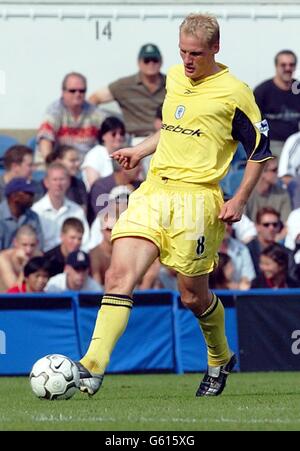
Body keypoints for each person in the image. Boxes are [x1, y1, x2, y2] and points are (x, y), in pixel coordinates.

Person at [75, 13, 272, 398]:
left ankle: (219, 358)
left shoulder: (235, 92)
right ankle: (92, 367)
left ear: (215, 48)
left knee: (192, 297)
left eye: (195, 53)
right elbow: (171, 128)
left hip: (198, 200)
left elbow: (259, 151)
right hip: (154, 190)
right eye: (182, 51)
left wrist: (240, 197)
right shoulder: (176, 77)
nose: (187, 60)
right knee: (119, 276)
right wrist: (141, 148)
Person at [89, 44, 166, 142]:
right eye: (146, 60)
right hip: (134, 140)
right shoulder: (124, 85)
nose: (151, 64)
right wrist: (104, 126)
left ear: (161, 62)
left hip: (164, 138)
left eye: (155, 60)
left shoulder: (172, 83)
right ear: (139, 63)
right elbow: (94, 98)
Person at [35, 72, 105, 168]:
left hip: (86, 167)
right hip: (58, 165)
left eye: (82, 91)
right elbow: (45, 139)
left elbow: (110, 133)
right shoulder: (54, 111)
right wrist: (53, 164)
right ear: (63, 92)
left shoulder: (95, 113)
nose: (78, 94)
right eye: (72, 91)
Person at [31, 163, 90, 252]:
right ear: (46, 182)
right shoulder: (36, 210)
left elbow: (85, 241)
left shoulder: (77, 211)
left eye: (62, 179)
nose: (58, 184)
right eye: (54, 180)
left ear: (69, 182)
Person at [254, 50, 300, 157]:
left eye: (291, 65)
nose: (288, 68)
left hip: (295, 142)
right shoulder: (263, 91)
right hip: (272, 144)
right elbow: (255, 120)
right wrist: (264, 144)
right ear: (276, 66)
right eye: (283, 65)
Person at [81, 117, 126, 191]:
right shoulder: (94, 155)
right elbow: (94, 186)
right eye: (114, 134)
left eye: (121, 133)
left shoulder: (125, 154)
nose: (118, 137)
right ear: (103, 136)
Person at [0, 177, 43, 250]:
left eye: (32, 194)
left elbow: (39, 248)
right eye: (28, 193)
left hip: (29, 260)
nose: (32, 197)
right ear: (14, 196)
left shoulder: (33, 217)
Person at [0, 224, 40, 292]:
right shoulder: (4, 259)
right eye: (24, 245)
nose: (28, 250)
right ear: (15, 243)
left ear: (37, 243)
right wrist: (25, 266)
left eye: (32, 245)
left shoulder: (38, 257)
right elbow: (14, 290)